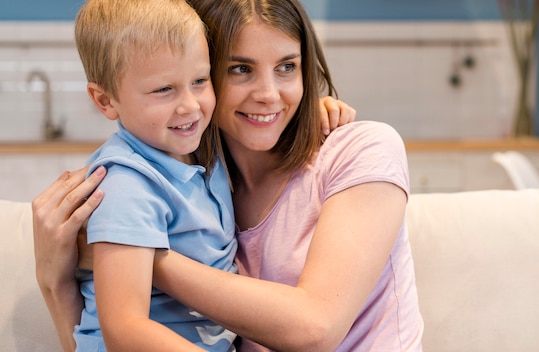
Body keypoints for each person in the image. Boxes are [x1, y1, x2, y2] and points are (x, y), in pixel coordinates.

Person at [33, 0, 423, 351]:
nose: (269, 94)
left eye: (287, 67)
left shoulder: (361, 148)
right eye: (240, 69)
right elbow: (114, 335)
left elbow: (315, 329)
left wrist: (145, 257)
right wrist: (56, 282)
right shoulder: (192, 175)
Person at [69, 0, 239, 350]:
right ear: (105, 101)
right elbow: (125, 329)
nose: (190, 105)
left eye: (199, 81)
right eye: (164, 89)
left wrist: (321, 109)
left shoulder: (205, 147)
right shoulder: (127, 186)